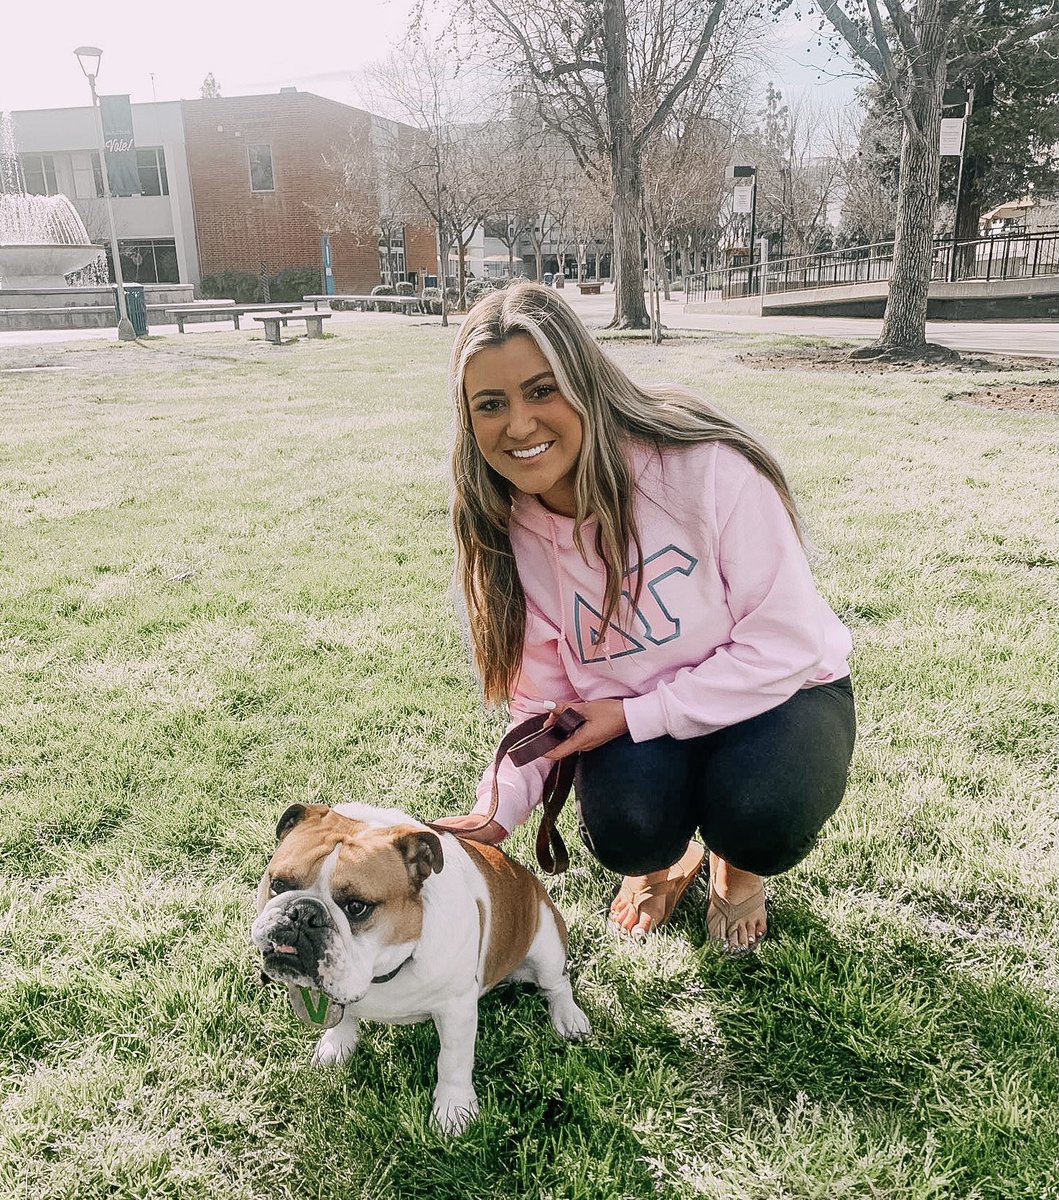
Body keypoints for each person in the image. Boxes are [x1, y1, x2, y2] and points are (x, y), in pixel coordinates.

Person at [432, 282, 855, 952]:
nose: (518, 425)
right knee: (626, 831)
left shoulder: (703, 467)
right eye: (491, 404)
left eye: (542, 390)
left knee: (761, 810)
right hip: (636, 714)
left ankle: (736, 868)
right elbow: (542, 704)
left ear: (586, 384)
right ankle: (667, 863)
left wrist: (638, 715)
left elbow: (785, 643)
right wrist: (493, 813)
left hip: (781, 693)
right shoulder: (505, 532)